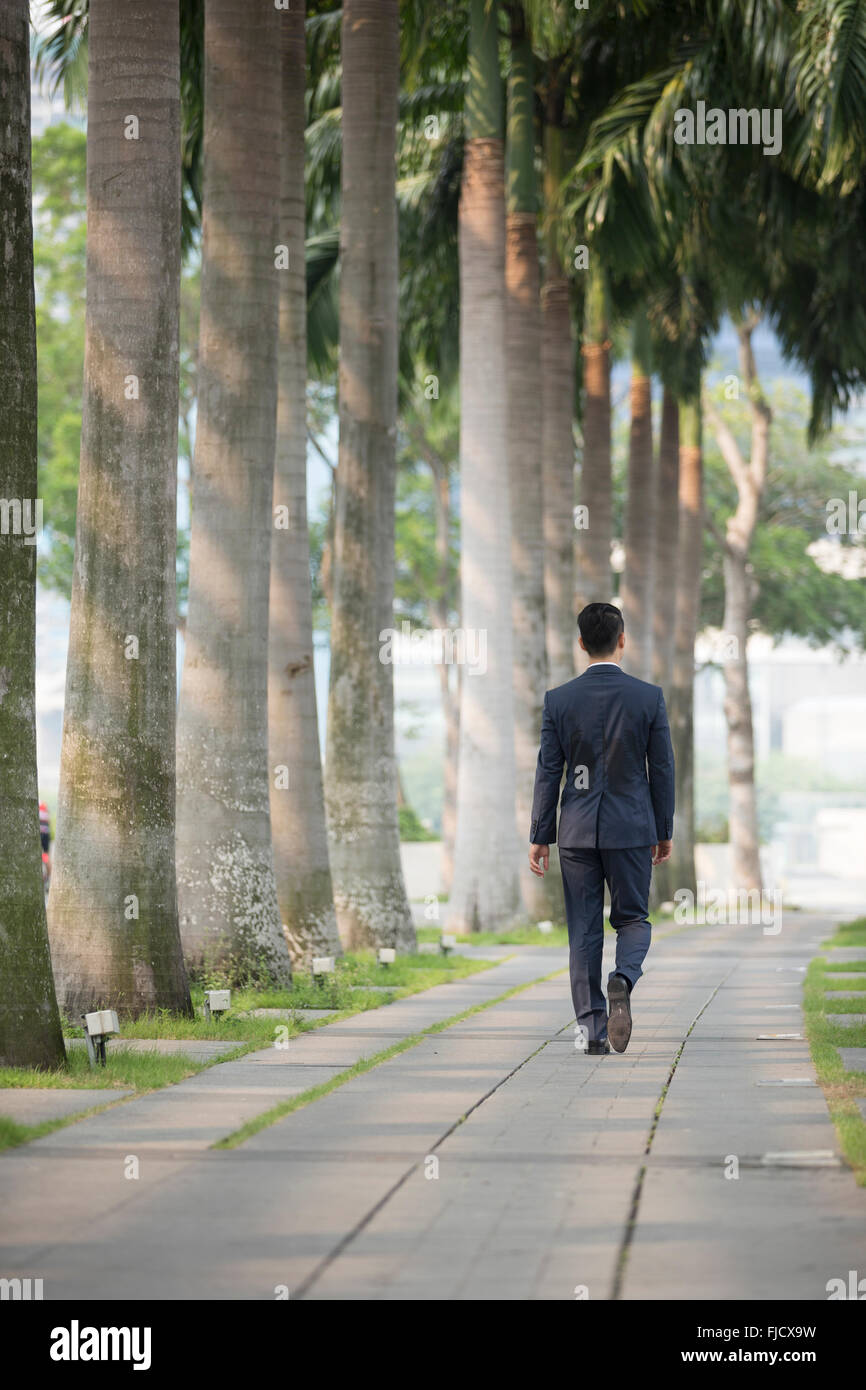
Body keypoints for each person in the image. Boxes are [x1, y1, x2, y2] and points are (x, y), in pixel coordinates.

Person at [528, 602, 675, 1054]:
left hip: (575, 833)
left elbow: (548, 771)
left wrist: (540, 834)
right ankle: (622, 979)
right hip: (631, 828)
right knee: (632, 918)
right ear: (622, 640)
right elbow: (663, 769)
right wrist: (663, 828)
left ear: (580, 644)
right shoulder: (648, 697)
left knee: (584, 930)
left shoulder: (559, 699)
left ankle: (592, 1033)